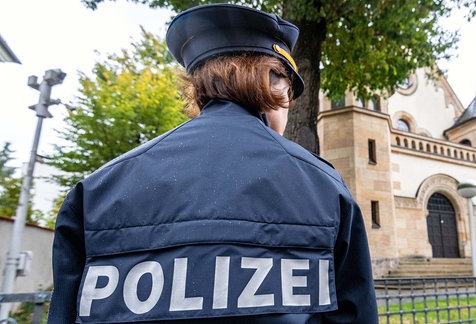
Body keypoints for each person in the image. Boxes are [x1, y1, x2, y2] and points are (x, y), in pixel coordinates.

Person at [48, 3, 378, 323]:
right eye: (288, 92)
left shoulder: (96, 191)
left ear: (199, 87)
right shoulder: (323, 186)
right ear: (273, 83)